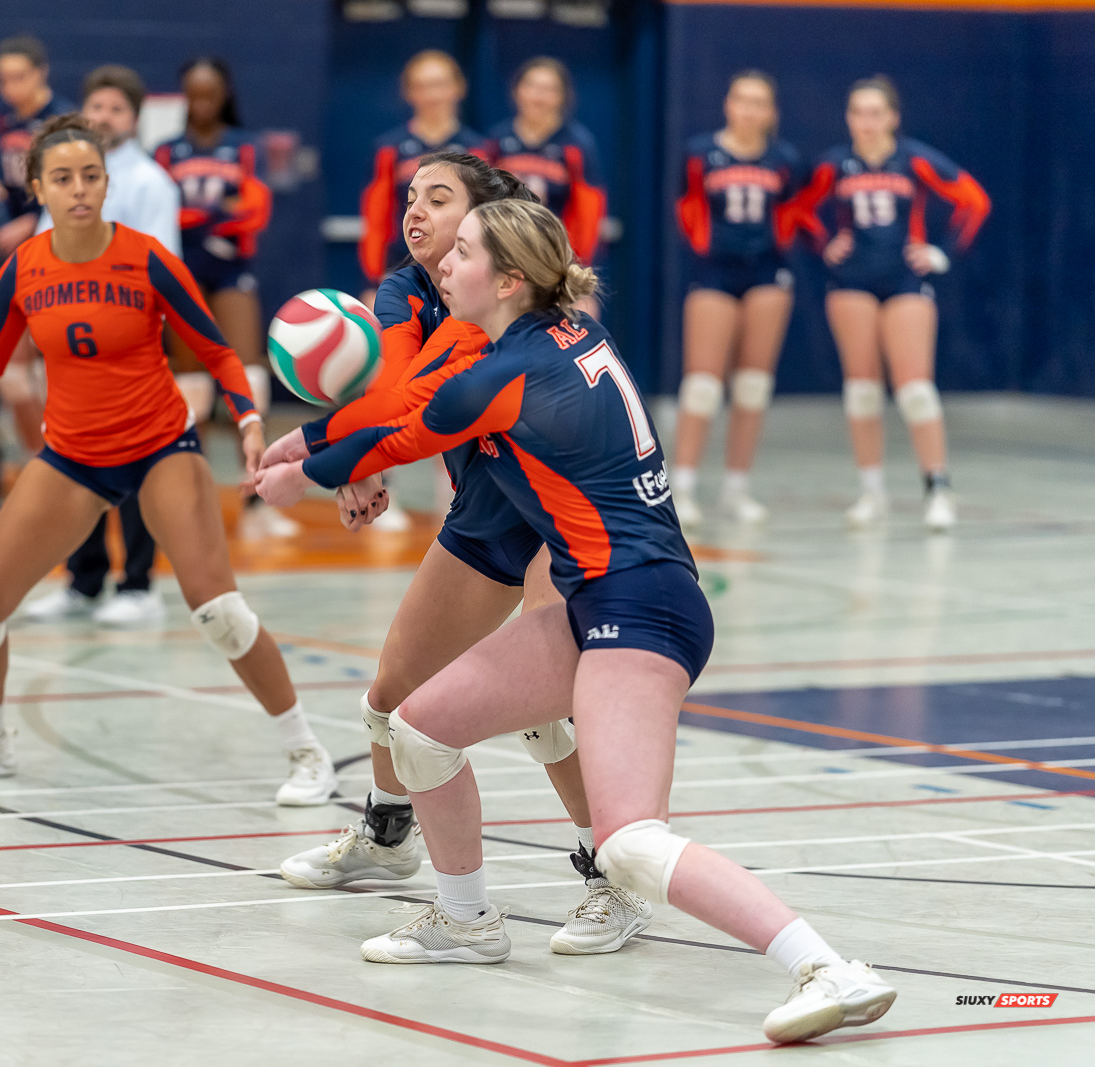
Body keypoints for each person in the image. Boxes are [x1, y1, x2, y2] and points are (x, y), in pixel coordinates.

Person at [257, 198, 896, 1044]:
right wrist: (312, 445)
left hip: (642, 607)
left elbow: (402, 435)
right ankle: (465, 922)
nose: (445, 258)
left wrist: (299, 469)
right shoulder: (554, 338)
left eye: (468, 250)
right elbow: (404, 413)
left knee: (630, 841)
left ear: (511, 279)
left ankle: (828, 967)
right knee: (420, 729)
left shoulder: (504, 375)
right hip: (600, 597)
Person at [0, 115, 338, 806]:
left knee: (220, 611)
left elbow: (220, 353)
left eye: (90, 176)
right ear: (38, 189)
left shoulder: (146, 258)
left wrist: (251, 421)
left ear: (107, 182)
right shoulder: (24, 266)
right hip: (73, 457)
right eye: (62, 178)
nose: (79, 189)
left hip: (159, 449)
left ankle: (307, 751)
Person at [269, 151, 652, 954]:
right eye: (409, 198)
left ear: (486, 227)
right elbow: (396, 391)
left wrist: (321, 459)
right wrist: (344, 458)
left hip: (558, 513)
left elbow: (412, 412)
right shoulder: (408, 288)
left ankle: (611, 878)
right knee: (391, 695)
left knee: (547, 714)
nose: (415, 212)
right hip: (485, 504)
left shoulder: (529, 311)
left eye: (437, 200)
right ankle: (387, 835)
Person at [792, 75, 989, 532]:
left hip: (904, 281)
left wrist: (942, 253)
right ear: (848, 118)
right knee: (861, 389)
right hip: (850, 284)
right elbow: (797, 210)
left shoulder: (914, 159)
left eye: (876, 113)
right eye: (858, 113)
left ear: (893, 118)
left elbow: (974, 201)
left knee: (915, 389)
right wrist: (824, 243)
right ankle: (872, 491)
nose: (867, 122)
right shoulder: (835, 165)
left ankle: (938, 487)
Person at [22, 65, 181, 627]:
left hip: (130, 348)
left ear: (135, 118)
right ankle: (82, 581)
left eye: (115, 108)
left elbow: (163, 266)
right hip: (69, 348)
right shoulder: (66, 173)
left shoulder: (151, 184)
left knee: (138, 462)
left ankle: (138, 585)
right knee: (74, 461)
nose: (104, 118)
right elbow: (45, 250)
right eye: (96, 107)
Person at [155, 56, 298, 541]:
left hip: (232, 269)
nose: (201, 102)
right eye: (192, 93)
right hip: (182, 274)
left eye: (210, 92)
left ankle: (256, 497)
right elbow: (165, 215)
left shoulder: (244, 147)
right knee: (190, 385)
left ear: (224, 94)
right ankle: (182, 499)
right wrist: (218, 211)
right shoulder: (166, 151)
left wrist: (199, 213)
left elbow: (254, 213)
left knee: (249, 374)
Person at [670, 71, 802, 526]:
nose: (749, 110)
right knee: (703, 385)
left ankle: (736, 487)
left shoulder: (783, 159)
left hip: (767, 271)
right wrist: (705, 250)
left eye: (759, 102)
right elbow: (686, 209)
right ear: (728, 105)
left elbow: (794, 213)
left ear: (772, 113)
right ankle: (681, 485)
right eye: (741, 100)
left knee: (753, 385)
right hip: (715, 271)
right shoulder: (701, 153)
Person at [358, 50, 491, 292]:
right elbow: (376, 217)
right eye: (422, 86)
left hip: (463, 271)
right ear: (409, 93)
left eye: (439, 85)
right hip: (403, 268)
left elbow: (487, 217)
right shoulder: (389, 148)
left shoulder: (478, 150)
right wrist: (372, 281)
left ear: (458, 88)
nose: (431, 95)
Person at [487, 56, 607, 319]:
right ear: (517, 91)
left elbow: (589, 212)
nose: (538, 97)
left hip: (557, 263)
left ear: (562, 97)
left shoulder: (577, 144)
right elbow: (482, 206)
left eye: (549, 89)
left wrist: (577, 268)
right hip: (506, 260)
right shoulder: (497, 141)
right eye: (531, 86)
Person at [0, 35, 77, 256]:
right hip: (17, 214)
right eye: (3, 80)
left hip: (53, 222)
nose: (10, 88)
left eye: (19, 77)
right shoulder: (3, 118)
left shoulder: (61, 119)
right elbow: (13, 175)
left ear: (41, 72)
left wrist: (34, 220)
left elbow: (72, 185)